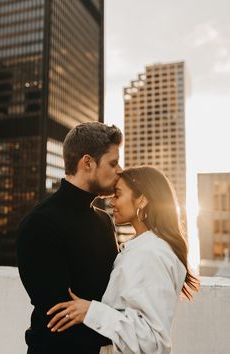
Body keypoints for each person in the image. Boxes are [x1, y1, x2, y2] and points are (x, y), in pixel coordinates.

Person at [46, 166, 200, 354]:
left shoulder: (151, 253)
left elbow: (154, 341)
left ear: (142, 200)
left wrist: (91, 312)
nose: (111, 202)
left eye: (118, 195)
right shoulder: (142, 248)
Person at [17, 122, 123, 354]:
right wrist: (127, 327)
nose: (120, 170)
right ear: (87, 162)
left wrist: (105, 317)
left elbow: (113, 295)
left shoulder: (104, 221)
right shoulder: (40, 223)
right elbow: (59, 313)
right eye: (113, 163)